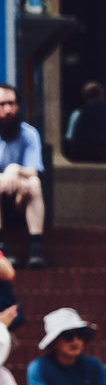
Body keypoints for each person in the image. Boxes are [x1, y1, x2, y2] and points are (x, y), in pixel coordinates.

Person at [0, 83, 48, 269]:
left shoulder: (29, 133)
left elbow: (34, 170)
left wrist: (14, 169)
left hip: (20, 198)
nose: (8, 109)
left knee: (35, 183)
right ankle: (1, 245)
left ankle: (36, 246)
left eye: (12, 103)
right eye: (2, 104)